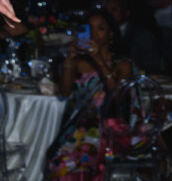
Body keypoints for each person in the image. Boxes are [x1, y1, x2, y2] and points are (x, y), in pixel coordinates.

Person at [48, 10, 134, 180]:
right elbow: (64, 92)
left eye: (100, 28)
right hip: (77, 129)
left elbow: (119, 96)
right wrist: (70, 58)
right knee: (60, 164)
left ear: (111, 35)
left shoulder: (122, 64)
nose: (94, 33)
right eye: (90, 28)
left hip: (109, 130)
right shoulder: (79, 63)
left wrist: (98, 59)